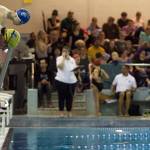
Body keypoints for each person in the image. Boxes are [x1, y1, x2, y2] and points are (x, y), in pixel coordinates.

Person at [55, 47, 77, 117]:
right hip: (61, 80)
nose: (64, 52)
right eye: (63, 51)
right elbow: (60, 67)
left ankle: (69, 111)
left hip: (72, 81)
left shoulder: (72, 59)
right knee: (61, 97)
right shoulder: (59, 58)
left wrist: (77, 69)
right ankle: (61, 112)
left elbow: (74, 69)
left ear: (69, 52)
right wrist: (64, 58)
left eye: (66, 51)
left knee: (70, 97)